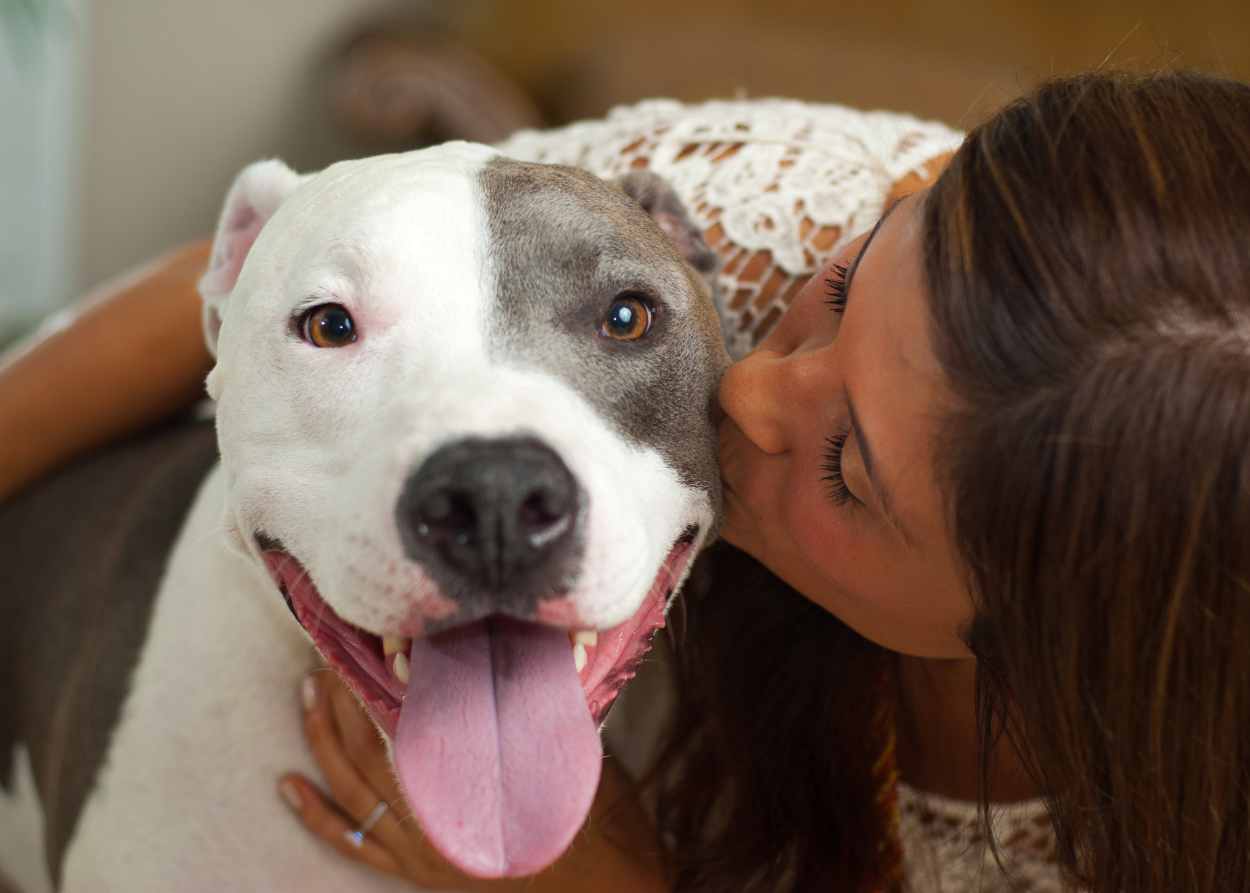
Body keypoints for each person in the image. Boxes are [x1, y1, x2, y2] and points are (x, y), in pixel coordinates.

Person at [3, 69, 1248, 892]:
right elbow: (266, 264)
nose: (747, 393)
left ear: (1051, 634)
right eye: (845, 284)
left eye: (845, 469)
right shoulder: (761, 210)